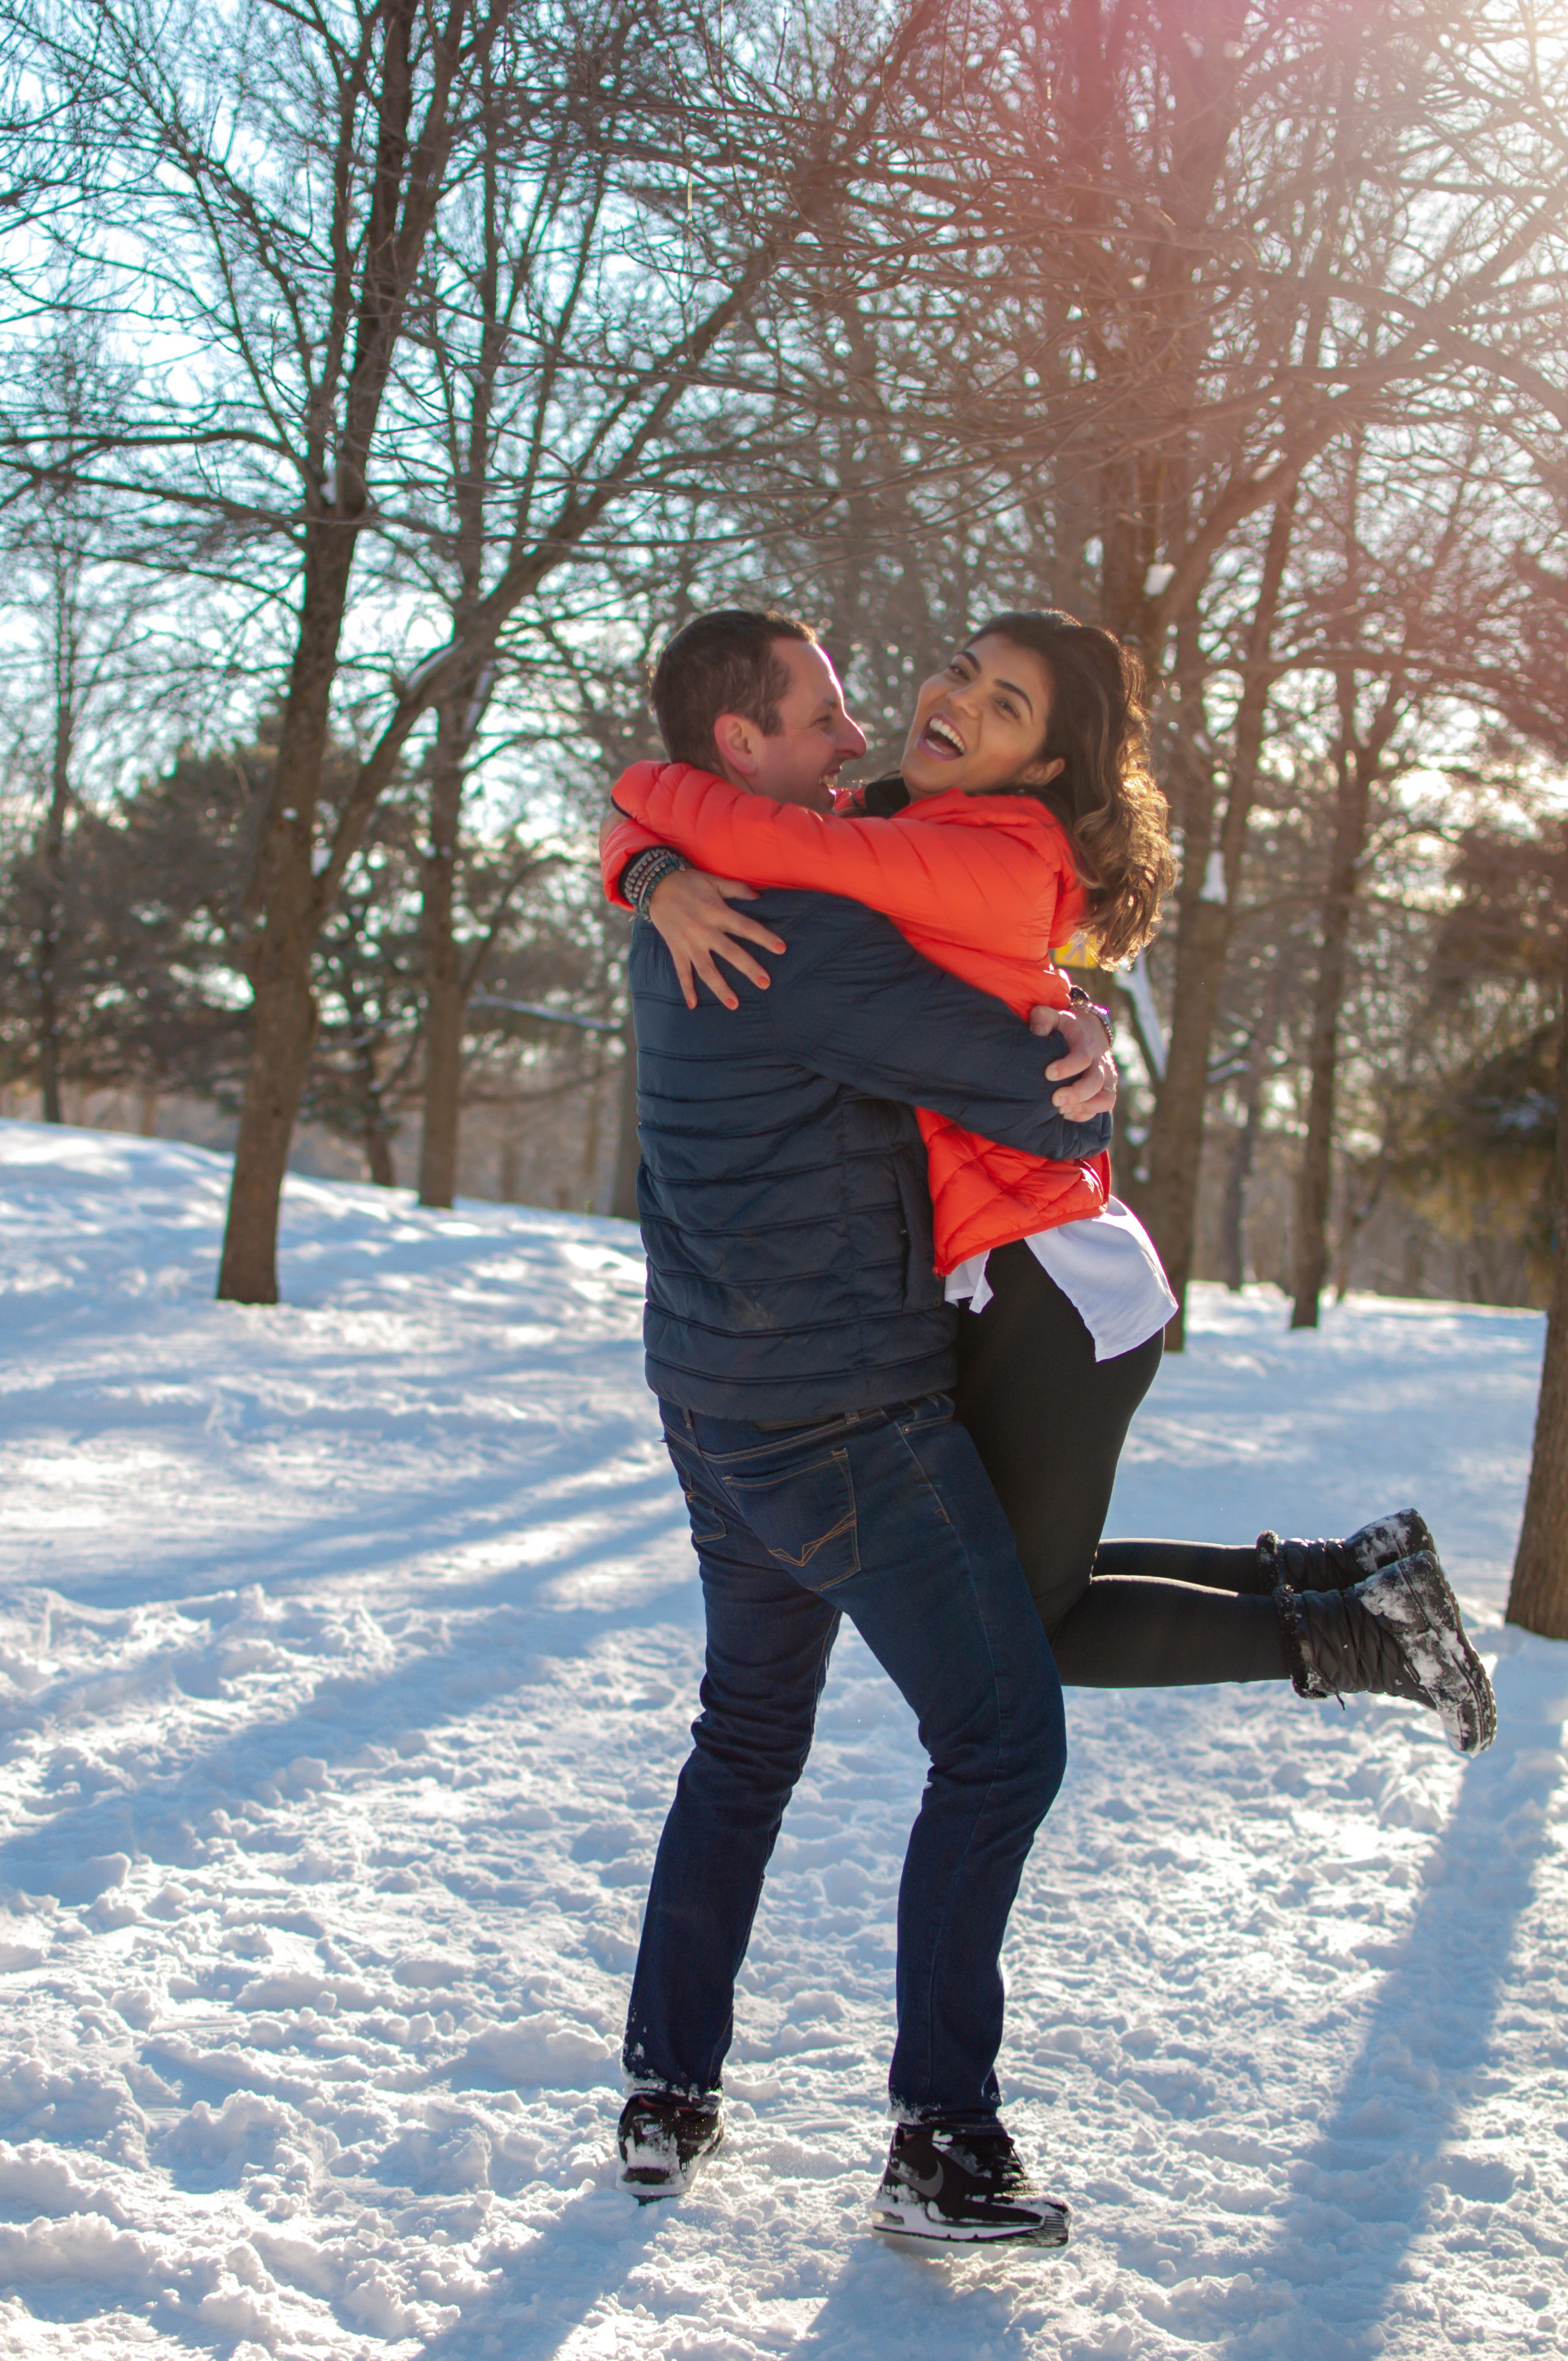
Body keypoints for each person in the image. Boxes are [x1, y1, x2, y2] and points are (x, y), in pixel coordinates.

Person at [603, 609, 1496, 1755]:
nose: (954, 701)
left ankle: (1367, 1635)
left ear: (1041, 766)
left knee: (1029, 1620)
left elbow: (759, 836)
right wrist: (651, 868)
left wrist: (648, 836)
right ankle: (1347, 1576)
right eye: (961, 670)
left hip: (1047, 1285)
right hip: (1025, 1267)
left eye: (1005, 705)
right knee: (1020, 1579)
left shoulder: (985, 850)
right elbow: (771, 843)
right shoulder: (916, 820)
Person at [609, 610, 1122, 2246]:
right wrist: (1088, 1039)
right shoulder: (803, 935)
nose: (853, 741)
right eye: (821, 716)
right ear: (739, 747)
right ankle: (940, 2141)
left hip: (714, 1397)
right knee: (1002, 1738)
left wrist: (643, 865)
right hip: (840, 1413)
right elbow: (1038, 1101)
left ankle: (664, 2086)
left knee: (747, 1734)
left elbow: (649, 820)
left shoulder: (681, 917)